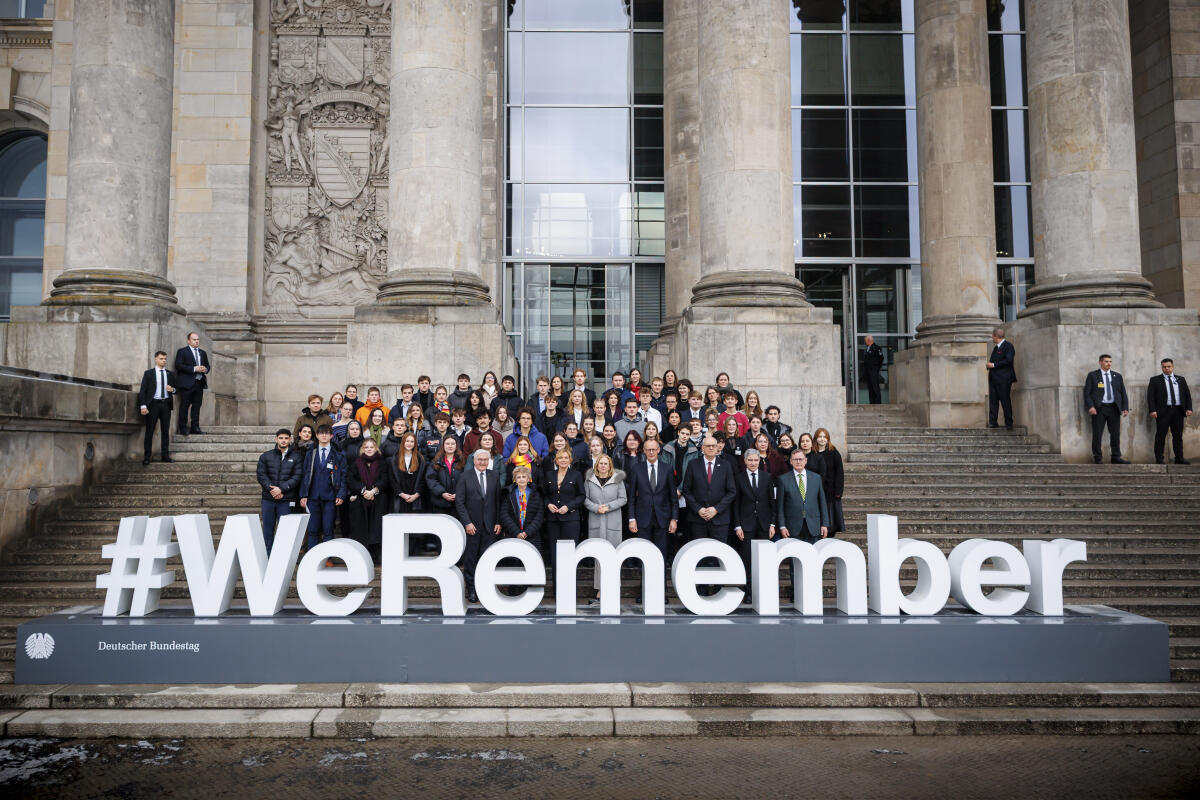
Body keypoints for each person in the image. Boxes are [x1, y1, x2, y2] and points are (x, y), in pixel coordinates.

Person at [456, 448, 502, 603]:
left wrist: (497, 521)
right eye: (479, 460)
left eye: (485, 460)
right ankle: (472, 590)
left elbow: (497, 501)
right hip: (472, 527)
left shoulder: (494, 476)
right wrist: (467, 523)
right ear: (474, 460)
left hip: (490, 527)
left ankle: (485, 589)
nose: (482, 462)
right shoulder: (464, 477)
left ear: (488, 461)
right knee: (471, 560)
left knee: (486, 560)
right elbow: (460, 502)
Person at [583, 454, 627, 602]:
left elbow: (623, 499)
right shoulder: (589, 480)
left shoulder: (617, 479)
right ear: (597, 465)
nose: (603, 466)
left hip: (613, 522)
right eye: (600, 463)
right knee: (599, 557)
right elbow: (585, 499)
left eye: (605, 463)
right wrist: (596, 508)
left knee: (614, 556)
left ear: (610, 466)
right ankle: (600, 588)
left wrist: (608, 507)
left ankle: (614, 587)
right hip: (596, 521)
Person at [732, 449, 776, 596]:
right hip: (746, 525)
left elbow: (772, 503)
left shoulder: (767, 477)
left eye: (755, 460)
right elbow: (736, 504)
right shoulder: (738, 478)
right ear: (745, 461)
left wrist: (772, 524)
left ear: (760, 461)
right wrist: (737, 525)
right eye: (750, 460)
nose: (753, 463)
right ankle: (749, 591)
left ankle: (762, 591)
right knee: (748, 559)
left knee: (763, 559)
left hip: (764, 524)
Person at [298, 425, 347, 551]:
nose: (324, 435)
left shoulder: (338, 454)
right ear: (317, 436)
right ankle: (311, 557)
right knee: (312, 529)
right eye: (321, 433)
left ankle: (327, 558)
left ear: (331, 436)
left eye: (327, 433)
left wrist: (341, 494)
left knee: (328, 529)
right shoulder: (311, 453)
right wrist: (303, 495)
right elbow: (305, 474)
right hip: (313, 497)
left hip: (330, 497)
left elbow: (343, 476)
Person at [627, 439, 677, 559]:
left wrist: (674, 519)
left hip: (663, 518)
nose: (651, 452)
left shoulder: (668, 469)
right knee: (644, 553)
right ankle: (644, 576)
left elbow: (673, 497)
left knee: (661, 552)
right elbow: (632, 497)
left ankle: (661, 577)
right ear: (644, 451)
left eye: (653, 449)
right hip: (643, 518)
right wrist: (631, 518)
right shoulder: (636, 469)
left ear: (658, 450)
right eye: (648, 450)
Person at [681, 436, 737, 543]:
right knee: (700, 554)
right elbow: (686, 490)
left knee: (719, 554)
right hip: (698, 519)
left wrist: (716, 509)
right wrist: (698, 509)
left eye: (713, 446)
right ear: (702, 448)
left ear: (717, 448)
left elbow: (732, 491)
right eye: (708, 446)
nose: (711, 448)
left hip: (720, 519)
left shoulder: (726, 465)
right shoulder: (693, 464)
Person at [256, 428, 302, 553]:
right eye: (281, 438)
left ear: (290, 440)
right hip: (268, 499)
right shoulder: (266, 456)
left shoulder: (297, 457)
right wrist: (272, 490)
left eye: (286, 438)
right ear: (276, 439)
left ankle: (282, 557)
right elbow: (261, 475)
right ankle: (267, 555)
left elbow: (297, 476)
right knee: (268, 530)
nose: (283, 440)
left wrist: (281, 489)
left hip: (286, 500)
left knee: (285, 531)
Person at [541, 448, 585, 572]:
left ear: (570, 459)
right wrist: (548, 504)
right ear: (556, 460)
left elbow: (582, 496)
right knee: (554, 553)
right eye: (560, 458)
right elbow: (544, 495)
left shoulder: (576, 475)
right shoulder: (549, 474)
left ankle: (569, 589)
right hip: (553, 520)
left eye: (566, 457)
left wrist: (568, 506)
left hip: (571, 520)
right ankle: (556, 590)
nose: (563, 460)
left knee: (569, 553)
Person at [347, 437, 390, 561]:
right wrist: (363, 490)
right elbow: (351, 479)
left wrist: (374, 491)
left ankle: (375, 556)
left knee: (376, 528)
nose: (369, 449)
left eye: (371, 447)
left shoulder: (382, 462)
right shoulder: (356, 462)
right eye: (366, 447)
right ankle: (362, 556)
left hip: (379, 500)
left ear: (376, 448)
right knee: (361, 529)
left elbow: (385, 479)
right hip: (361, 500)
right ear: (362, 449)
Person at [1084, 354, 1130, 464]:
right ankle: (1098, 457)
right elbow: (1087, 393)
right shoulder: (1093, 375)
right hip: (1099, 409)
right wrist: (1091, 406)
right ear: (1100, 362)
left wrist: (1125, 407)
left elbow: (1123, 393)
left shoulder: (1117, 376)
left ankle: (1116, 457)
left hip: (1114, 408)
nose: (1109, 363)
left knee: (1115, 434)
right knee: (1097, 434)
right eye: (1106, 361)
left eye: (1110, 361)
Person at [777, 450, 829, 546]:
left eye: (800, 459)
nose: (798, 462)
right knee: (795, 558)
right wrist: (782, 526)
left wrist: (824, 524)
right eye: (795, 459)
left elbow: (822, 502)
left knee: (813, 557)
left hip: (813, 526)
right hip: (792, 527)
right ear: (791, 461)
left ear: (806, 461)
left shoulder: (816, 478)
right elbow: (780, 506)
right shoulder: (783, 479)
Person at [1147, 358, 1193, 465]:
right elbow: (1150, 397)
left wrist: (1189, 408)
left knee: (1177, 436)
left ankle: (1179, 458)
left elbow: (1187, 395)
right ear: (1161, 367)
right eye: (1164, 367)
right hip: (1163, 412)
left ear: (1172, 367)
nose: (1166, 369)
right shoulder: (1155, 380)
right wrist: (1152, 410)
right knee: (1160, 435)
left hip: (1178, 411)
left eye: (1168, 366)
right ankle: (1159, 459)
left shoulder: (1181, 379)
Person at [137, 350, 176, 466]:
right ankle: (147, 457)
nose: (163, 361)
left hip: (166, 405)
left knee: (165, 431)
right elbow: (142, 391)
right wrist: (143, 406)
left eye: (165, 359)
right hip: (153, 404)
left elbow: (176, 389)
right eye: (161, 359)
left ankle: (165, 456)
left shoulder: (170, 374)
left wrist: (172, 390)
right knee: (149, 431)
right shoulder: (149, 373)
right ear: (155, 359)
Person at [500, 465, 546, 559]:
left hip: (532, 535)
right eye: (518, 477)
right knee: (515, 563)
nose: (521, 479)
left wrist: (527, 532)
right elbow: (504, 514)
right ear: (515, 480)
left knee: (532, 561)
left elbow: (539, 515)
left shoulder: (536, 493)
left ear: (529, 479)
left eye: (524, 477)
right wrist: (516, 532)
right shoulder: (508, 493)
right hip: (513, 534)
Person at [173, 331, 210, 435]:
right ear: (188, 341)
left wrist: (205, 369)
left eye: (198, 339)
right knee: (184, 406)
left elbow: (208, 366)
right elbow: (178, 365)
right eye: (194, 339)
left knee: (197, 406)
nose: (197, 341)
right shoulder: (182, 351)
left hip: (199, 383)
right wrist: (194, 368)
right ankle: (183, 428)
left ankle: (195, 427)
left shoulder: (203, 353)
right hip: (187, 384)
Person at [813, 427, 845, 536]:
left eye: (824, 437)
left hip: (830, 491)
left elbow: (839, 473)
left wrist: (838, 492)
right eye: (819, 437)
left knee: (831, 520)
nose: (822, 439)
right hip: (815, 490)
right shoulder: (813, 453)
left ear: (828, 439)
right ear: (816, 439)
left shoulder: (834, 453)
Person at [425, 436, 464, 516]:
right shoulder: (436, 461)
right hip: (439, 503)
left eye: (453, 444)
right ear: (443, 446)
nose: (450, 446)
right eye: (447, 444)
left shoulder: (462, 461)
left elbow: (466, 480)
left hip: (458, 502)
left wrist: (458, 493)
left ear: (456, 446)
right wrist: (442, 493)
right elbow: (431, 479)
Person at [986, 327, 1017, 429]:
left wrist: (994, 365)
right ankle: (993, 422)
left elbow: (1008, 361)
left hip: (1004, 379)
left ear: (995, 336)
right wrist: (989, 365)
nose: (992, 338)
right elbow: (992, 361)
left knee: (1005, 400)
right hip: (994, 379)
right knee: (993, 401)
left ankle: (1009, 423)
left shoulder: (1008, 346)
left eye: (992, 336)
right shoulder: (996, 348)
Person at [388, 431, 426, 514]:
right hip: (400, 498)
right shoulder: (394, 459)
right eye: (407, 441)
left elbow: (423, 480)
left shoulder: (421, 460)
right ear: (403, 442)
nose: (409, 443)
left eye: (412, 441)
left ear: (415, 443)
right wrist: (402, 494)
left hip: (415, 499)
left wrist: (416, 495)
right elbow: (392, 480)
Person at [862, 335, 884, 405]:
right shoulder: (867, 348)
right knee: (870, 387)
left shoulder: (876, 348)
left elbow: (881, 358)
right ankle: (872, 402)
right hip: (868, 371)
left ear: (868, 340)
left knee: (875, 387)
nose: (865, 342)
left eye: (865, 340)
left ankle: (877, 403)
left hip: (873, 370)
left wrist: (876, 367)